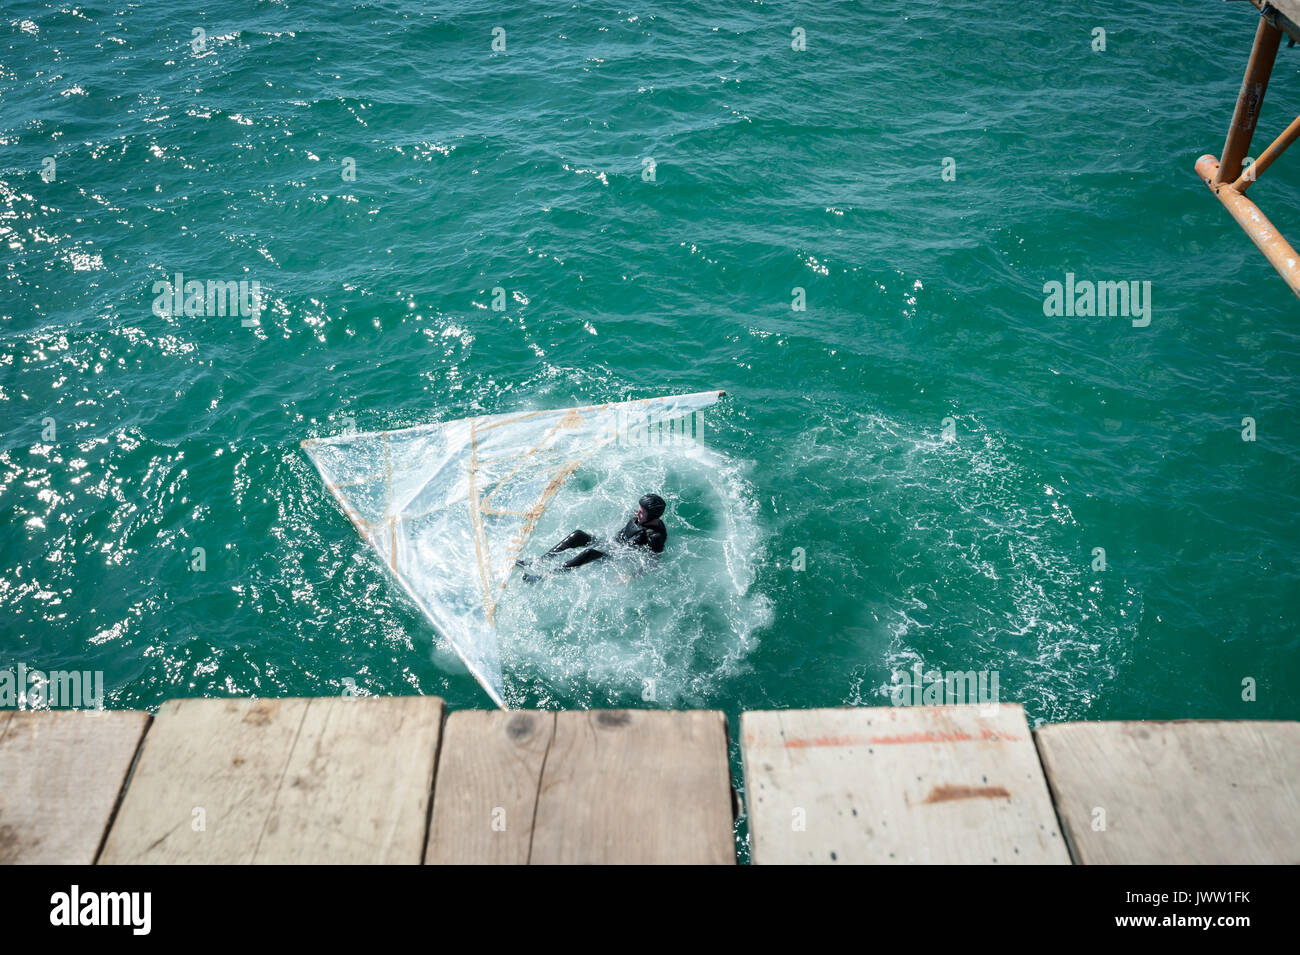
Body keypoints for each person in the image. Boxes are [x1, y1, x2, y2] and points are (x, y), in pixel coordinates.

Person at [520, 493, 667, 582]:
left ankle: (544, 577)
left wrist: (631, 576)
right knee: (578, 535)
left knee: (589, 553)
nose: (637, 514)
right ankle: (539, 561)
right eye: (639, 510)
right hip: (611, 543)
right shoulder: (641, 518)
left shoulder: (655, 536)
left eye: (641, 512)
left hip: (615, 556)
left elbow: (653, 563)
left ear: (652, 516)